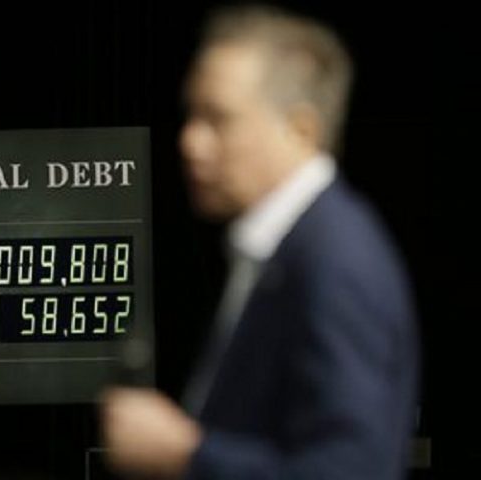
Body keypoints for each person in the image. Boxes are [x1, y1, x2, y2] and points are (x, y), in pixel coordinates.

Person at [100, 4, 420, 480]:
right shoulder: (287, 253)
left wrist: (185, 453)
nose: (190, 142)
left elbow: (354, 468)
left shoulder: (334, 260)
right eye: (191, 115)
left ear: (301, 129)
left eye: (219, 119)